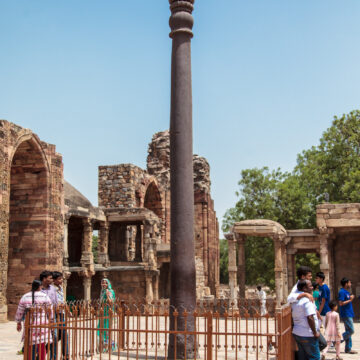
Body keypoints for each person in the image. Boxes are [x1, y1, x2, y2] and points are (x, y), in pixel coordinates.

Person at [15, 280, 52, 360]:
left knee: (30, 344)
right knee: (42, 345)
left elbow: (20, 311)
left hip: (30, 323)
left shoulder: (25, 296)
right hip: (42, 323)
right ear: (40, 286)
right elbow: (50, 309)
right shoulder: (44, 296)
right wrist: (51, 319)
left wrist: (18, 322)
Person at [291, 279, 320, 360]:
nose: (312, 287)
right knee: (314, 357)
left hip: (297, 332)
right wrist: (315, 332)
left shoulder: (295, 300)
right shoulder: (307, 301)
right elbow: (310, 317)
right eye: (310, 286)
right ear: (304, 288)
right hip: (307, 334)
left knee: (302, 357)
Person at [52, 271, 69, 360]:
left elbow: (63, 300)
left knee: (63, 334)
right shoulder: (52, 289)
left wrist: (67, 309)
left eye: (62, 278)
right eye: (59, 279)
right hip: (55, 314)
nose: (61, 280)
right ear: (54, 280)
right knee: (56, 336)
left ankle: (66, 355)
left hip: (62, 313)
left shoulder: (61, 288)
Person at [338, 277, 357, 354]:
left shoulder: (346, 292)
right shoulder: (342, 292)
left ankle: (348, 348)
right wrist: (350, 300)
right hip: (346, 314)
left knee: (348, 331)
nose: (350, 284)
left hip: (349, 313)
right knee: (351, 330)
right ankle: (338, 340)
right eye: (349, 283)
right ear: (346, 284)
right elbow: (341, 303)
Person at [98, 278, 116, 352]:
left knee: (107, 329)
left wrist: (108, 295)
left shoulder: (110, 291)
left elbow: (111, 302)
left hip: (108, 312)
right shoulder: (102, 292)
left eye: (105, 283)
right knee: (101, 329)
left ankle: (110, 346)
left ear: (108, 284)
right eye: (102, 283)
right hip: (102, 312)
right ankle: (104, 345)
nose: (104, 284)